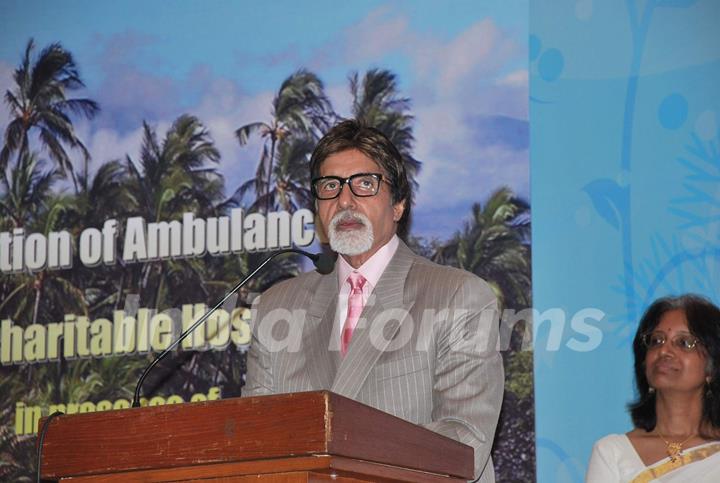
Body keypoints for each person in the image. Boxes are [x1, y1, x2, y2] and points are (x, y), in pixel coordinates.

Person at [244, 119, 504, 481]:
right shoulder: (276, 307)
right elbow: (252, 443)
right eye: (330, 186)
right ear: (318, 207)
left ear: (398, 204)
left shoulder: (457, 297)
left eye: (365, 184)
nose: (345, 200)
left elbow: (465, 442)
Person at [586, 294, 720, 482]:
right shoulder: (613, 452)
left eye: (684, 343)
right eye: (656, 341)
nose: (664, 351)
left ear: (712, 368)